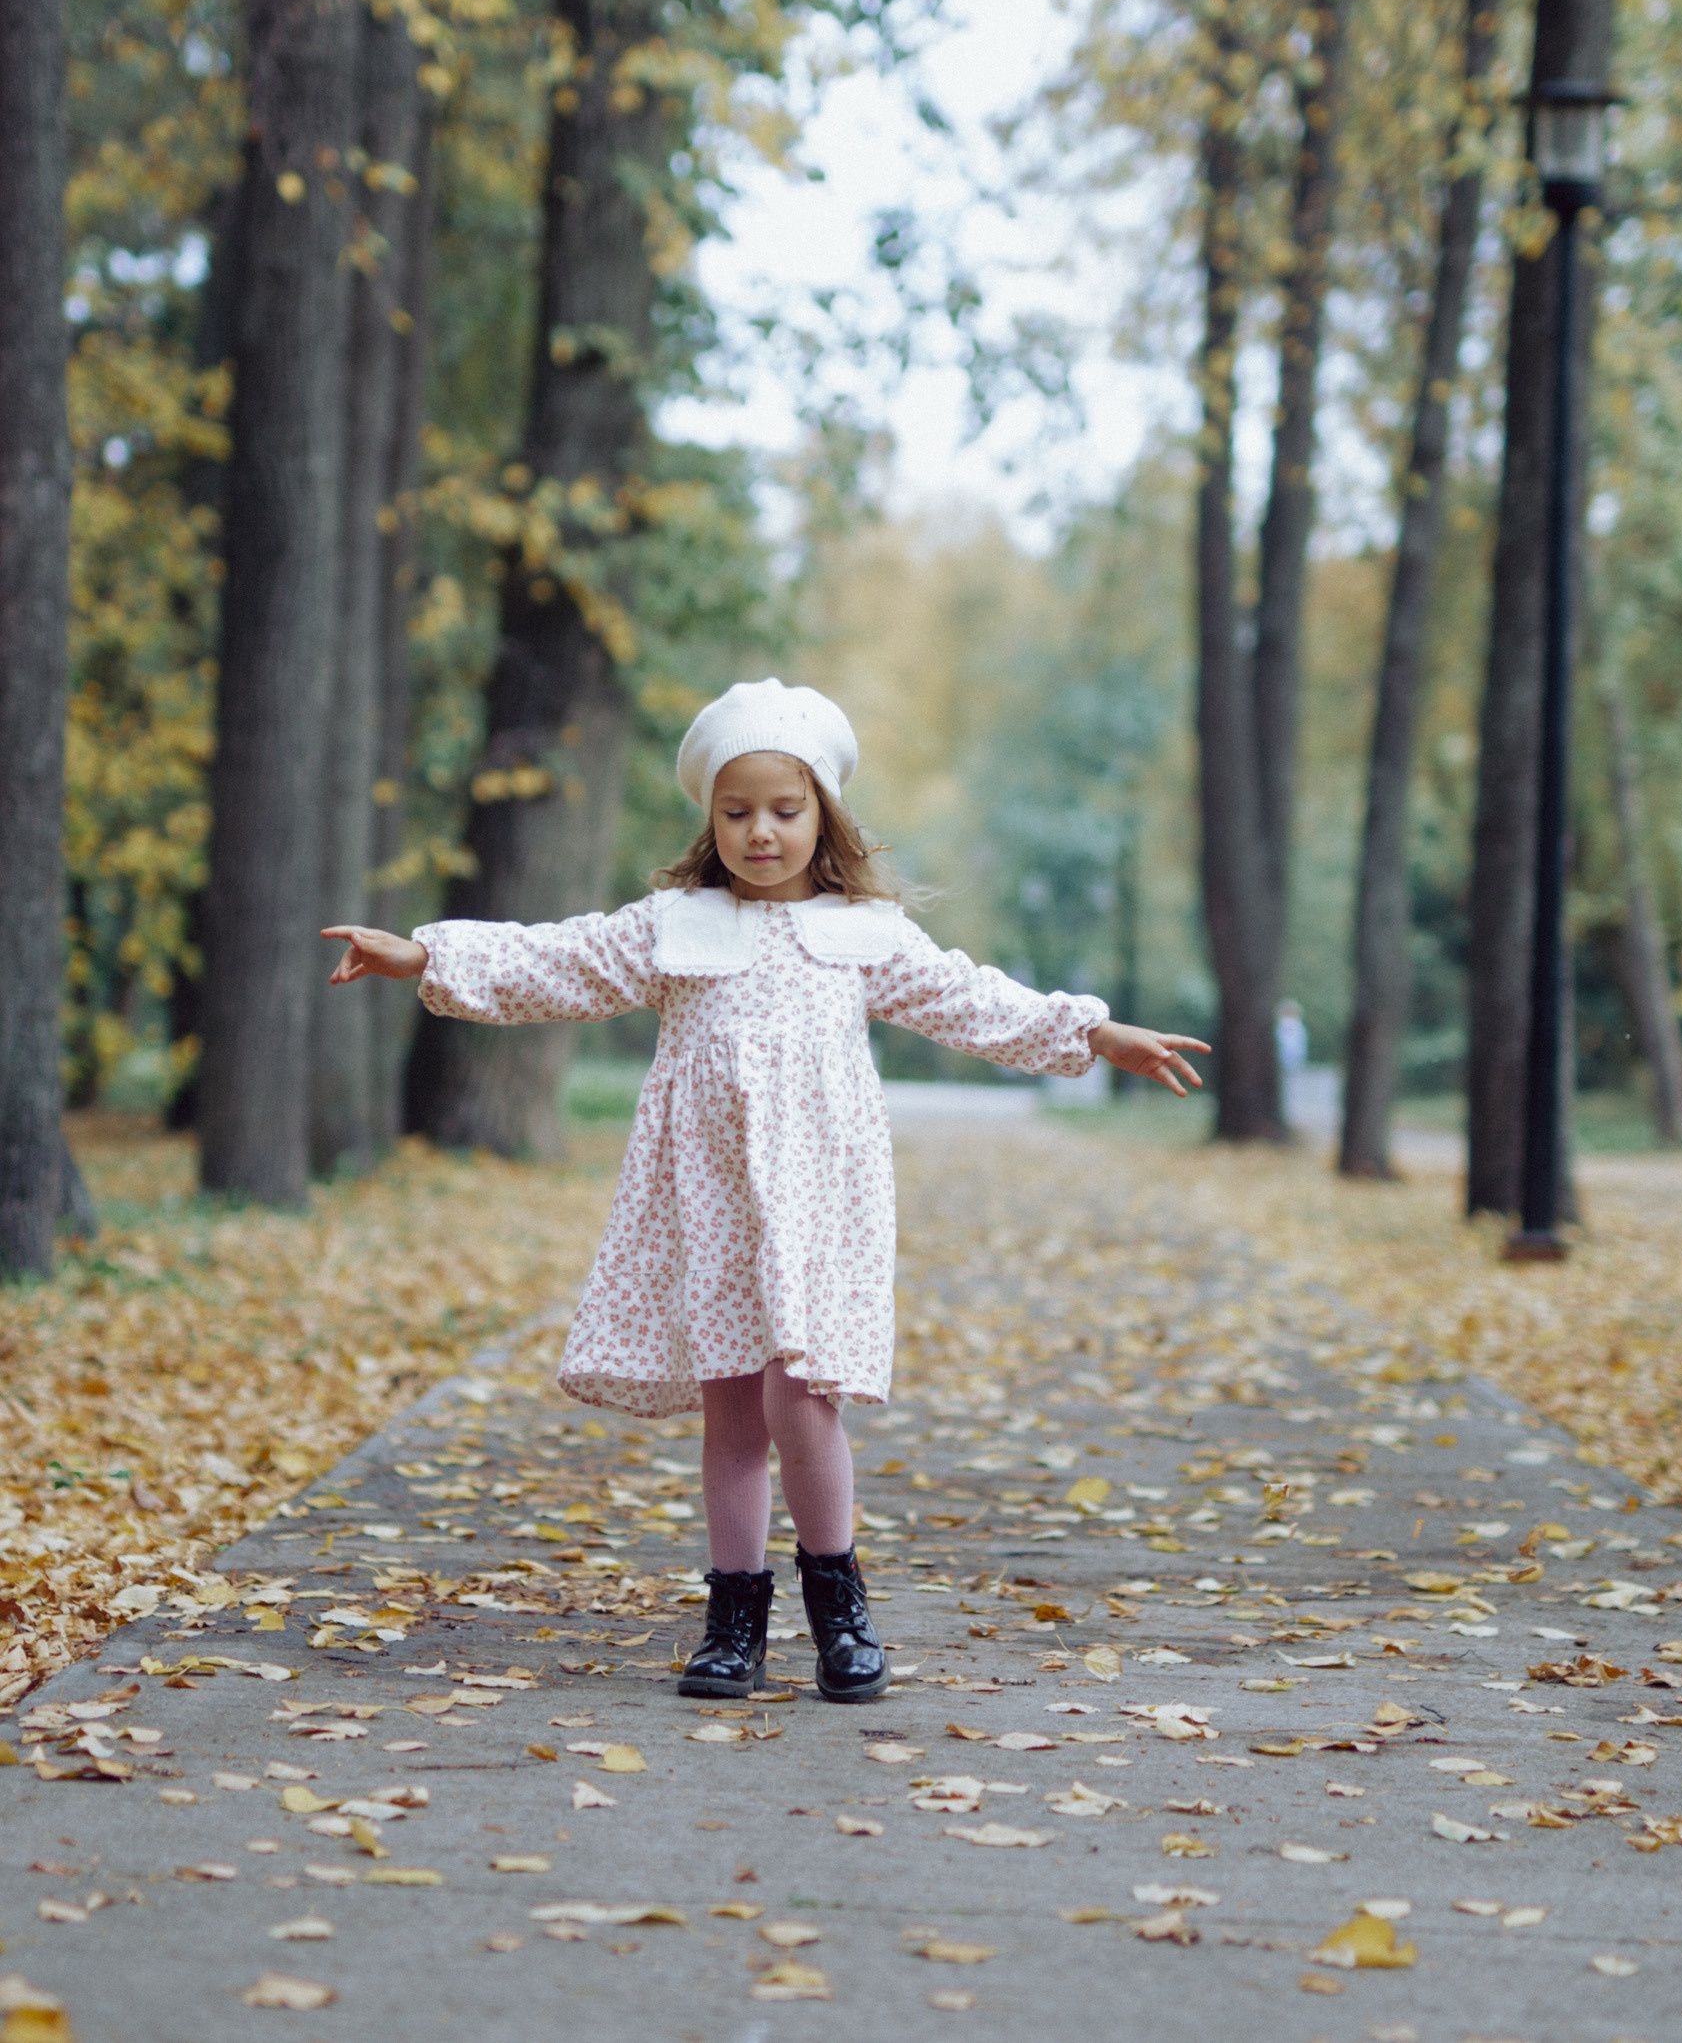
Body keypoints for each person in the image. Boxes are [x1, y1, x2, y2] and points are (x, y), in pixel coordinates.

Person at [322, 677, 1205, 1708]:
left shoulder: (863, 933)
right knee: (735, 1405)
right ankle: (733, 1620)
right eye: (737, 812)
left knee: (802, 1395)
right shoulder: (676, 928)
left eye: (785, 810)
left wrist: (1092, 1032)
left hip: (822, 1202)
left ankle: (840, 1607)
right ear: (712, 819)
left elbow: (973, 999)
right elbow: (554, 958)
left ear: (823, 814)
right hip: (710, 1199)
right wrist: (426, 954)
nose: (761, 832)